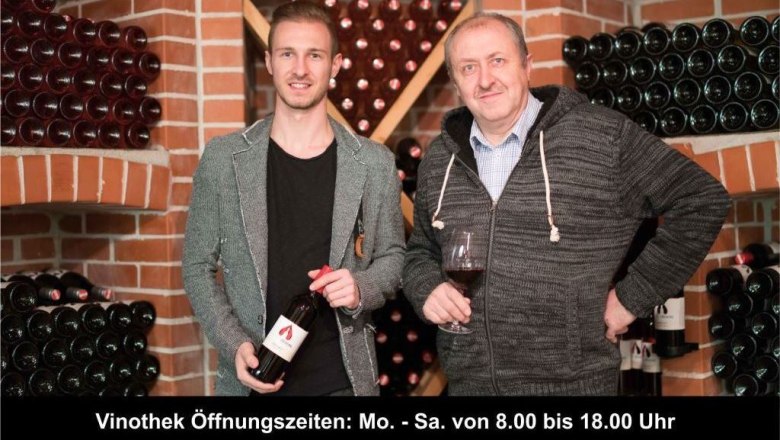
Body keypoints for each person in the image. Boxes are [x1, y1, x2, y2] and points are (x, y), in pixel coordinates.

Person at [402, 13, 730, 395]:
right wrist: (426, 288)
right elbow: (420, 252)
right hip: (469, 386)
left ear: (527, 66)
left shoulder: (600, 137)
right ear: (456, 82)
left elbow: (701, 199)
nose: (485, 79)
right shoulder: (440, 158)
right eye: (468, 68)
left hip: (574, 387)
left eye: (497, 60)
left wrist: (631, 297)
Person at [182, 1, 404, 396]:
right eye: (288, 54)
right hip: (252, 381)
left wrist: (360, 288)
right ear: (269, 61)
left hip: (344, 385)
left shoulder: (374, 163)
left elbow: (392, 258)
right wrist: (235, 344)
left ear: (335, 64)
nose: (300, 70)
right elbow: (196, 267)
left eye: (314, 55)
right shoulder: (223, 158)